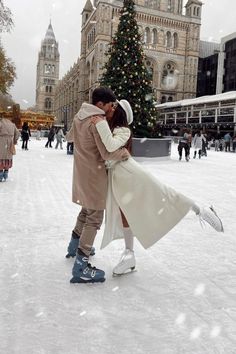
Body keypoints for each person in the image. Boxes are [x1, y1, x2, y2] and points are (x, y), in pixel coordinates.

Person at [90, 100, 224, 276]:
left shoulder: (123, 130)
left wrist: (98, 124)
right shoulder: (109, 126)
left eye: (114, 107)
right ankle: (129, 254)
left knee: (163, 193)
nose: (110, 109)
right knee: (125, 214)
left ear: (120, 113)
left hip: (130, 173)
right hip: (119, 176)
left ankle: (202, 210)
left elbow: (109, 147)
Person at [66, 87, 130, 284]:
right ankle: (81, 265)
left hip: (81, 172)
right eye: (110, 105)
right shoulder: (98, 121)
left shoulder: (79, 116)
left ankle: (73, 245)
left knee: (86, 211)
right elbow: (107, 153)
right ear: (100, 104)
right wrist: (124, 154)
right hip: (94, 176)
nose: (111, 109)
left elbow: (70, 138)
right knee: (94, 218)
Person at [0, 114, 20, 182]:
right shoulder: (12, 124)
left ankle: (0, 174)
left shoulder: (1, 123)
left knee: (1, 157)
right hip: (10, 142)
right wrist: (14, 140)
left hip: (1, 141)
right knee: (8, 157)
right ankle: (6, 173)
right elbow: (17, 133)